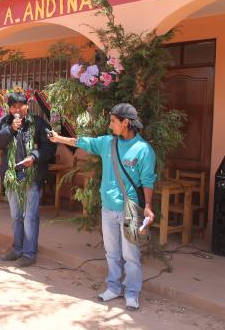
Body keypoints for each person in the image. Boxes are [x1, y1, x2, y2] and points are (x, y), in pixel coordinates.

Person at [47, 103, 156, 311]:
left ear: (126, 123)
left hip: (130, 210)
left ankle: (132, 293)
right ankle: (113, 288)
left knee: (130, 255)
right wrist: (59, 138)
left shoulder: (143, 149)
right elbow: (82, 141)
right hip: (107, 208)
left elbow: (148, 180)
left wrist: (148, 206)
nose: (110, 125)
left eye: (113, 121)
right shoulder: (107, 143)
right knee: (112, 253)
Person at [0, 91, 55, 267]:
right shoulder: (3, 123)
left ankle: (29, 253)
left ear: (27, 106)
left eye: (21, 106)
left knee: (30, 217)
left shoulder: (39, 123)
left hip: (33, 176)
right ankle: (17, 249)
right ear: (9, 108)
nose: (17, 110)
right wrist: (10, 129)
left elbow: (50, 147)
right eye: (14, 107)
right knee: (16, 216)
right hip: (12, 177)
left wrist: (34, 157)